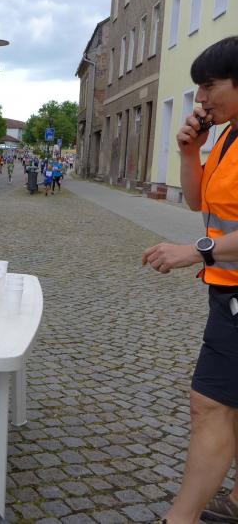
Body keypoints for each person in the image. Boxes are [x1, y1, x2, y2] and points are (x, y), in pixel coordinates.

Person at [141, 36, 238, 524]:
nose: (199, 98)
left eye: (209, 86)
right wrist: (189, 153)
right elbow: (201, 202)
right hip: (227, 287)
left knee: (210, 404)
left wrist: (196, 250)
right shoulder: (228, 135)